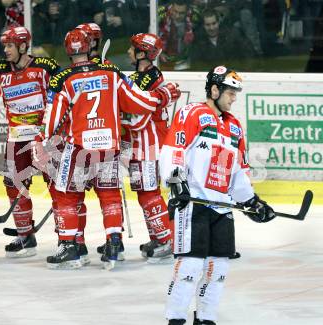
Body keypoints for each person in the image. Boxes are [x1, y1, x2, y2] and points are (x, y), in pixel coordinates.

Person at [43, 29, 180, 270]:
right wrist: (161, 96)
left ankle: (71, 247)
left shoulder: (64, 78)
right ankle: (114, 243)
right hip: (110, 146)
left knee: (66, 193)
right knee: (110, 195)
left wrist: (43, 139)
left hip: (84, 148)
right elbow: (141, 103)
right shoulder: (112, 74)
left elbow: (52, 119)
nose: (128, 52)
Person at [159, 66, 276, 324]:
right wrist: (176, 181)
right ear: (214, 90)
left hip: (222, 207)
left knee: (219, 268)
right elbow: (173, 149)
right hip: (192, 204)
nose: (234, 98)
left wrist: (252, 202)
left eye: (236, 93)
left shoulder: (235, 127)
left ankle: (206, 318)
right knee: (189, 267)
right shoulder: (192, 113)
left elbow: (238, 171)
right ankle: (176, 319)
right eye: (230, 92)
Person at [0, 26, 61, 258]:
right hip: (16, 138)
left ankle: (67, 237)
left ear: (23, 46)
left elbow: (61, 97)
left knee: (57, 185)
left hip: (45, 138)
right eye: (4, 45)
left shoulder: (46, 68)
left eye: (9, 45)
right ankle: (25, 235)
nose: (4, 50)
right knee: (14, 185)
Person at [119, 33, 174, 262]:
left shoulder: (149, 77)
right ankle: (159, 237)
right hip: (143, 145)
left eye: (133, 49)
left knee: (149, 193)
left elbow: (134, 115)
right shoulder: (142, 77)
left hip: (150, 146)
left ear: (142, 53)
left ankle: (165, 240)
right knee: (144, 193)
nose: (129, 52)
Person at [189, 9, 255, 71]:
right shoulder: (198, 40)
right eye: (208, 25)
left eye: (214, 23)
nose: (211, 28)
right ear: (203, 25)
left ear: (218, 22)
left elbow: (249, 54)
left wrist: (245, 71)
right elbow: (196, 65)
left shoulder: (233, 34)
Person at [159, 0, 194, 71]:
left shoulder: (194, 17)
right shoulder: (159, 15)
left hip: (184, 62)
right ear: (171, 8)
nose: (177, 16)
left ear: (187, 11)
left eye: (181, 13)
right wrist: (159, 52)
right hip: (162, 61)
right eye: (175, 11)